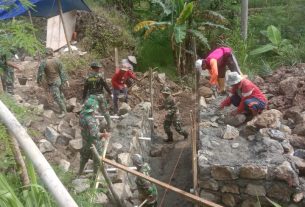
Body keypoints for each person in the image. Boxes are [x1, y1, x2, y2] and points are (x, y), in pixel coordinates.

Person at [78, 96, 109, 175]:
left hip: (85, 140)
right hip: (94, 143)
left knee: (84, 157)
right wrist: (104, 134)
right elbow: (95, 135)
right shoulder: (90, 120)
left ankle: (79, 172)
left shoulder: (81, 114)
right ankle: (95, 178)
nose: (96, 110)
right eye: (95, 108)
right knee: (97, 160)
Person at [37, 48, 69, 118]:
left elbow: (40, 74)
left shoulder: (44, 62)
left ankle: (64, 111)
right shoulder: (57, 61)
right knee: (60, 95)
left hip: (52, 82)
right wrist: (65, 80)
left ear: (45, 53)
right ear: (52, 53)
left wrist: (38, 81)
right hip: (59, 81)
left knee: (57, 97)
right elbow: (62, 71)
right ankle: (65, 107)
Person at [83, 62, 112, 130]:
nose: (99, 69)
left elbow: (85, 89)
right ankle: (109, 126)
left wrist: (83, 98)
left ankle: (93, 127)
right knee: (105, 112)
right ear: (96, 68)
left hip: (92, 98)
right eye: (98, 68)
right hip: (100, 96)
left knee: (91, 112)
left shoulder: (87, 77)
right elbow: (106, 86)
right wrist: (111, 93)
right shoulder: (100, 76)